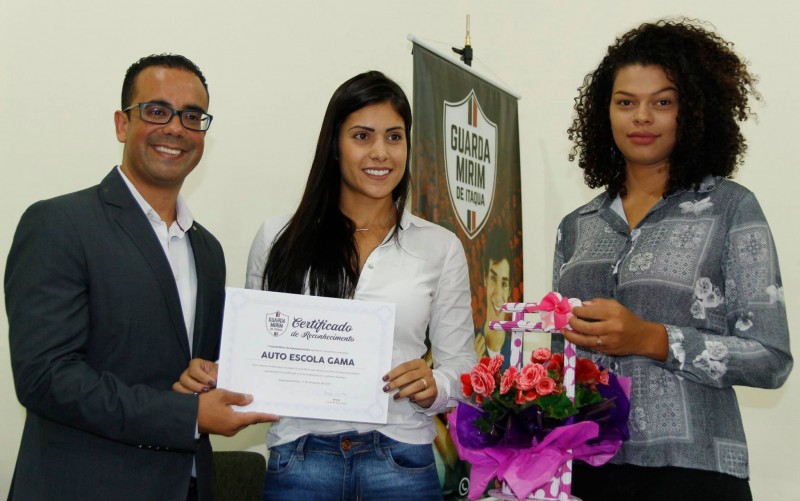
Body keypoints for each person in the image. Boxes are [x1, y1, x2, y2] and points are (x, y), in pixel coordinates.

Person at [5, 54, 278, 501]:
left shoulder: (206, 250)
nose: (175, 128)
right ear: (121, 124)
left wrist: (208, 375)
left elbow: (186, 366)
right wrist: (188, 414)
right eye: (156, 111)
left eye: (192, 116)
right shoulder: (59, 224)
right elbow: (45, 376)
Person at [553, 19, 792, 501]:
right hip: (584, 471)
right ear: (606, 114)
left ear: (694, 112)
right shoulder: (576, 225)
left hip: (694, 472)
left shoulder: (731, 208)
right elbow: (562, 355)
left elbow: (771, 359)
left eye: (662, 102)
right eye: (626, 102)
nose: (642, 117)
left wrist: (652, 339)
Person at [246, 71, 475, 501]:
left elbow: (463, 366)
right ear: (335, 145)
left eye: (394, 137)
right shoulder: (279, 238)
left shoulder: (440, 247)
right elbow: (255, 352)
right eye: (362, 135)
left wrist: (435, 386)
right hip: (300, 455)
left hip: (402, 457)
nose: (380, 152)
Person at [473, 225, 513, 363]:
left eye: (504, 283)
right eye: (493, 279)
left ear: (509, 291)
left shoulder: (516, 352)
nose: (497, 294)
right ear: (485, 279)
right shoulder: (469, 345)